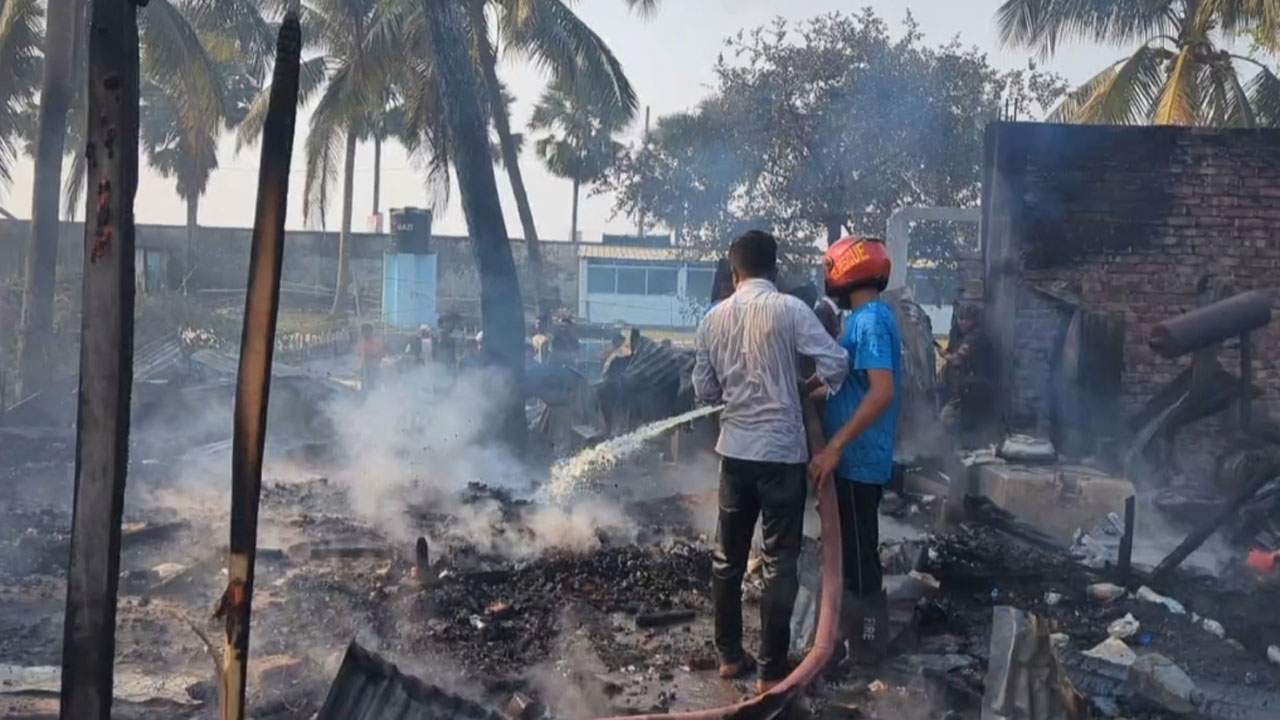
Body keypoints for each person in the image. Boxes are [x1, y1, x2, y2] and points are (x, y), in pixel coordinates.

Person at [693, 230, 849, 693]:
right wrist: (807, 386)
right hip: (781, 455)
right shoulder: (791, 309)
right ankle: (771, 669)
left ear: (734, 273)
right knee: (781, 561)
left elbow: (704, 390)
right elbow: (837, 362)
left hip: (735, 454)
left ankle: (728, 656)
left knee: (728, 558)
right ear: (775, 270)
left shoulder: (712, 319)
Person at [807, 236, 902, 667]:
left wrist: (835, 447)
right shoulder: (863, 319)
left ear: (845, 271)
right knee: (849, 556)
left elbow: (881, 391)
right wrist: (807, 391)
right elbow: (854, 387)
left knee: (861, 563)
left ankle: (868, 651)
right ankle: (848, 642)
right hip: (852, 459)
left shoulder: (872, 322)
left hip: (858, 459)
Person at [356, 323, 386, 392]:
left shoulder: (377, 342)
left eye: (368, 331)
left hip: (374, 366)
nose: (366, 334)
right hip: (365, 367)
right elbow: (359, 354)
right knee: (365, 383)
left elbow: (381, 354)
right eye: (364, 332)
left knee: (375, 383)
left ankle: (375, 394)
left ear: (371, 332)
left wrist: (373, 356)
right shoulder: (361, 342)